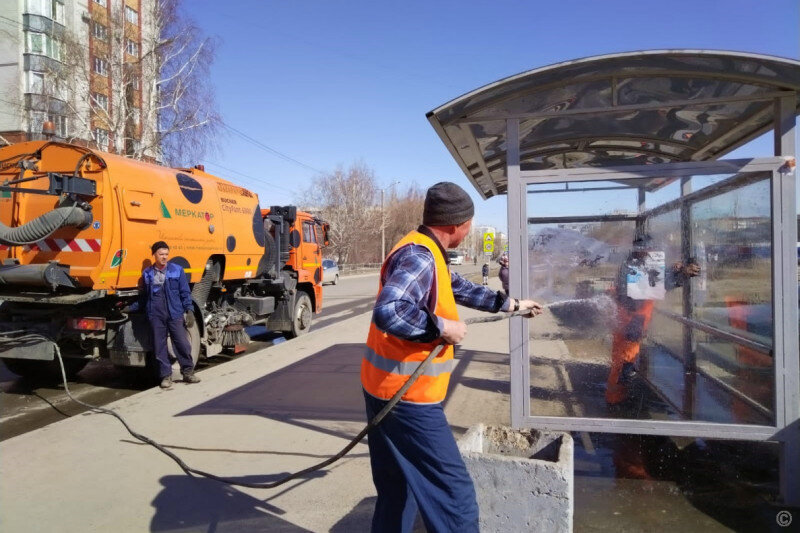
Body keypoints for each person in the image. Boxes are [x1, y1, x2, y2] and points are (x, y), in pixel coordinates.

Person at [361, 181, 543, 532]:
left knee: (398, 488)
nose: (471, 228)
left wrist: (514, 305)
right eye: (469, 222)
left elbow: (460, 287)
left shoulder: (427, 250)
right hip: (407, 399)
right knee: (453, 495)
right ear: (455, 225)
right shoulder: (419, 256)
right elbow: (390, 312)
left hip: (382, 389)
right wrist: (441, 328)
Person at [606, 234, 699, 405]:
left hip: (633, 321)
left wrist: (673, 270)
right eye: (649, 249)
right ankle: (615, 402)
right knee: (624, 362)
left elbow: (652, 279)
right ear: (640, 250)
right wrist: (681, 276)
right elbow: (650, 288)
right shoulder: (630, 266)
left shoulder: (637, 264)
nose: (651, 253)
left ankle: (619, 396)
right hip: (630, 321)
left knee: (626, 360)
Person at [127, 241, 200, 389]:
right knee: (159, 347)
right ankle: (166, 376)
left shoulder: (177, 270)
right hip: (156, 315)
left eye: (166, 254)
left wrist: (189, 310)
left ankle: (188, 373)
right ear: (154, 255)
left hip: (175, 313)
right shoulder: (147, 273)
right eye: (161, 254)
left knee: (182, 343)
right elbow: (145, 297)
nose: (164, 257)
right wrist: (131, 308)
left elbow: (185, 292)